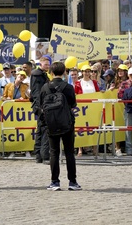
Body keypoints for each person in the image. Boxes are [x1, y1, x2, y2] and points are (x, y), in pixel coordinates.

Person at [39, 60, 80, 191]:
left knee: (54, 152)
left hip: (51, 123)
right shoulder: (68, 87)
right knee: (69, 152)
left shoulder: (45, 87)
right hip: (67, 123)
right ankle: (72, 182)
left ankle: (54, 181)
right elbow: (73, 104)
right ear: (64, 72)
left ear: (51, 72)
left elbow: (40, 105)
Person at [31, 56, 51, 164]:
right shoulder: (37, 75)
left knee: (40, 130)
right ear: (41, 64)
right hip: (41, 105)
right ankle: (44, 155)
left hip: (40, 105)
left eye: (48, 64)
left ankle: (38, 155)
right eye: (46, 64)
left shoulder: (40, 74)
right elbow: (37, 92)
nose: (47, 66)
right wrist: (41, 106)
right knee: (44, 130)